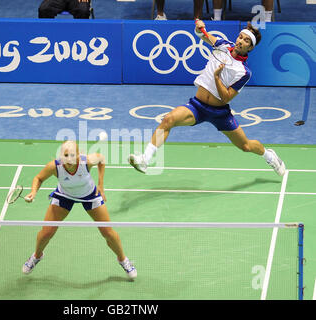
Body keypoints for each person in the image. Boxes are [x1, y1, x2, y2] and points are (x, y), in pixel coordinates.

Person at [128, 19, 286, 177]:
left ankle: (268, 155)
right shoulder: (222, 45)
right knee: (168, 119)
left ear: (250, 47)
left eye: (246, 41)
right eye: (240, 37)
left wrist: (217, 77)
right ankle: (145, 159)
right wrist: (198, 29)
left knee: (245, 146)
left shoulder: (244, 72)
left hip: (220, 113)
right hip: (197, 106)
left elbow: (226, 98)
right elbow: (203, 35)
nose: (240, 41)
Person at [22, 140, 137, 279]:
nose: (69, 159)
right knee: (46, 233)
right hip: (64, 195)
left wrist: (101, 184)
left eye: (72, 155)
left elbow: (101, 159)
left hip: (89, 195)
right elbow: (38, 178)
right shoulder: (55, 166)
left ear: (79, 155)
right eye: (66, 155)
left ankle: (123, 260)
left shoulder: (86, 161)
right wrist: (33, 192)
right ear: (61, 156)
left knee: (108, 233)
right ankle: (37, 256)